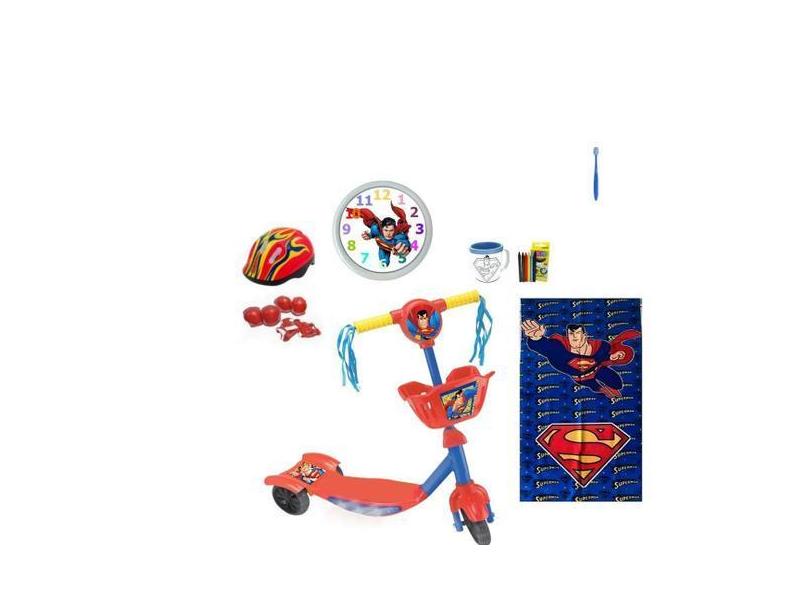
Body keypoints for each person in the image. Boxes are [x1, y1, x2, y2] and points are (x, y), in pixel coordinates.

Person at [521, 321, 639, 398]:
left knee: (617, 383)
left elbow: (603, 355)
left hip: (597, 370)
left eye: (577, 333)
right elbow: (547, 347)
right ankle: (600, 389)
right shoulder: (560, 349)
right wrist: (536, 339)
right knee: (596, 387)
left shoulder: (600, 347)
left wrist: (611, 356)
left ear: (584, 336)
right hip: (581, 378)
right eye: (571, 334)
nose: (574, 336)